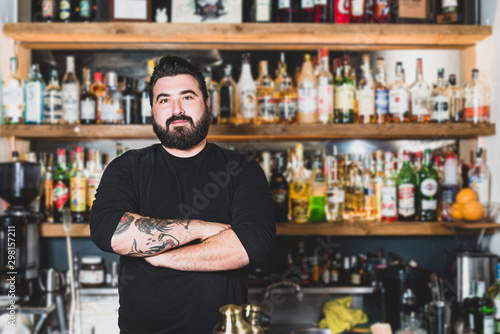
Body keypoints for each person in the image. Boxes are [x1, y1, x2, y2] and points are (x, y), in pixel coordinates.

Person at [89, 55, 275, 333]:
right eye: (164, 100)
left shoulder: (241, 169)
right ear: (152, 109)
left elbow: (253, 244)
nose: (176, 109)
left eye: (187, 97)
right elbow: (108, 230)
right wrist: (201, 228)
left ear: (206, 104)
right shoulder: (127, 167)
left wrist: (162, 257)